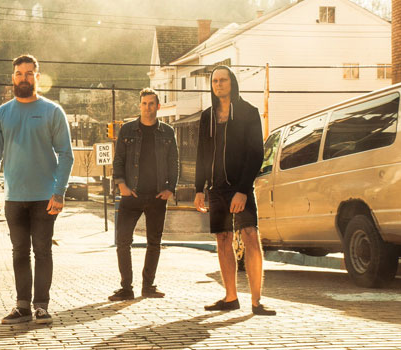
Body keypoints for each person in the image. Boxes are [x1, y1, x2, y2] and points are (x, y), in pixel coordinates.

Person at [0, 54, 74, 324]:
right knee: (19, 252)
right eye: (19, 74)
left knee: (43, 251)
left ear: (37, 76)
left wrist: (59, 192)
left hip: (45, 198)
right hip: (14, 198)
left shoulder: (52, 111)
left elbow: (66, 154)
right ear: (13, 78)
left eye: (29, 73)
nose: (24, 78)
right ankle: (23, 306)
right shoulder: (1, 113)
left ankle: (42, 306)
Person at [193, 66, 276, 316]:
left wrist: (242, 190)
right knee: (223, 239)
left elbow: (256, 154)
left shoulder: (249, 113)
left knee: (250, 235)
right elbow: (202, 154)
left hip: (241, 188)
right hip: (216, 189)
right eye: (215, 81)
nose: (218, 84)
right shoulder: (207, 116)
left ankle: (257, 301)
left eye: (223, 80)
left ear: (232, 82)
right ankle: (230, 297)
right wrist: (199, 189)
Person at [109, 88, 179, 301]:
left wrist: (170, 189)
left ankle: (148, 286)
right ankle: (126, 288)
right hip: (132, 194)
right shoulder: (127, 130)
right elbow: (119, 159)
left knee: (154, 243)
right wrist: (121, 184)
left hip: (157, 196)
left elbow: (173, 162)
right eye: (144, 103)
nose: (148, 107)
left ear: (158, 106)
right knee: (122, 241)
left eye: (151, 104)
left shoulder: (167, 132)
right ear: (140, 106)